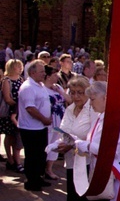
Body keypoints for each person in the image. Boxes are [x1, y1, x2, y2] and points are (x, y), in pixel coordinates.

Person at [58, 77, 99, 201]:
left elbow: (92, 135)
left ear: (87, 92)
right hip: (72, 162)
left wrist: (72, 143)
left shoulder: (93, 109)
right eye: (72, 93)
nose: (76, 97)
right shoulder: (69, 109)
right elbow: (64, 130)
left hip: (88, 164)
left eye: (80, 93)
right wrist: (61, 144)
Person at [17, 60, 52, 191]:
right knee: (32, 155)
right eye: (41, 71)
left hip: (41, 127)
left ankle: (39, 177)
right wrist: (44, 119)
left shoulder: (40, 85)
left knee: (41, 155)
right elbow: (30, 108)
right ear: (32, 72)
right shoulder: (28, 87)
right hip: (30, 128)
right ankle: (31, 181)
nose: (44, 74)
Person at [43, 66, 69, 181]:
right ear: (48, 77)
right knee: (47, 144)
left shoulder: (58, 87)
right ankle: (41, 169)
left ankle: (49, 169)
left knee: (56, 144)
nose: (57, 76)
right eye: (54, 75)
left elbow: (69, 100)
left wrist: (59, 92)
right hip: (49, 121)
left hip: (60, 120)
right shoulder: (42, 88)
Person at [1, 59, 24, 172]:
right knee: (9, 135)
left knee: (16, 137)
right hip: (9, 111)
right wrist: (18, 106)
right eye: (17, 66)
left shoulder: (21, 80)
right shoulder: (6, 80)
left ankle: (16, 159)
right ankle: (9, 159)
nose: (20, 68)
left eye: (20, 66)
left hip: (19, 111)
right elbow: (7, 98)